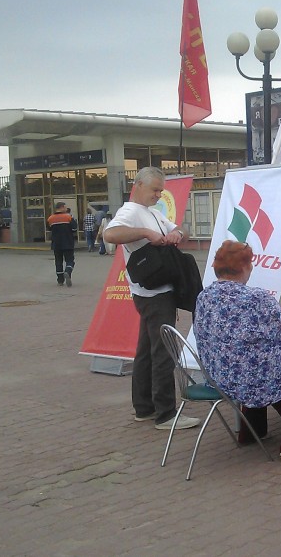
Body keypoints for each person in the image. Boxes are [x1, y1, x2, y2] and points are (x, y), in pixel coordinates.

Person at [194, 240, 281, 461]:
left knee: (256, 367)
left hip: (219, 376)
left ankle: (252, 433)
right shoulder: (255, 297)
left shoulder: (204, 296)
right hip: (248, 377)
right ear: (244, 267)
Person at [103, 167, 199, 431]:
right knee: (163, 351)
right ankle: (166, 414)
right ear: (138, 185)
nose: (158, 195)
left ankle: (144, 407)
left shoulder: (153, 212)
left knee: (146, 350)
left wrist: (177, 234)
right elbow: (110, 234)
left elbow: (181, 229)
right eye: (155, 189)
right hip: (153, 293)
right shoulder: (131, 211)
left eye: (161, 190)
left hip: (155, 291)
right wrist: (146, 234)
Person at [46, 202, 77, 287]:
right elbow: (74, 229)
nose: (66, 209)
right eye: (65, 207)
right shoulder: (68, 217)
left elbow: (49, 229)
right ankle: (67, 271)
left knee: (58, 262)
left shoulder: (50, 218)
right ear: (62, 207)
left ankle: (60, 280)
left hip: (56, 244)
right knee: (70, 260)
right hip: (68, 242)